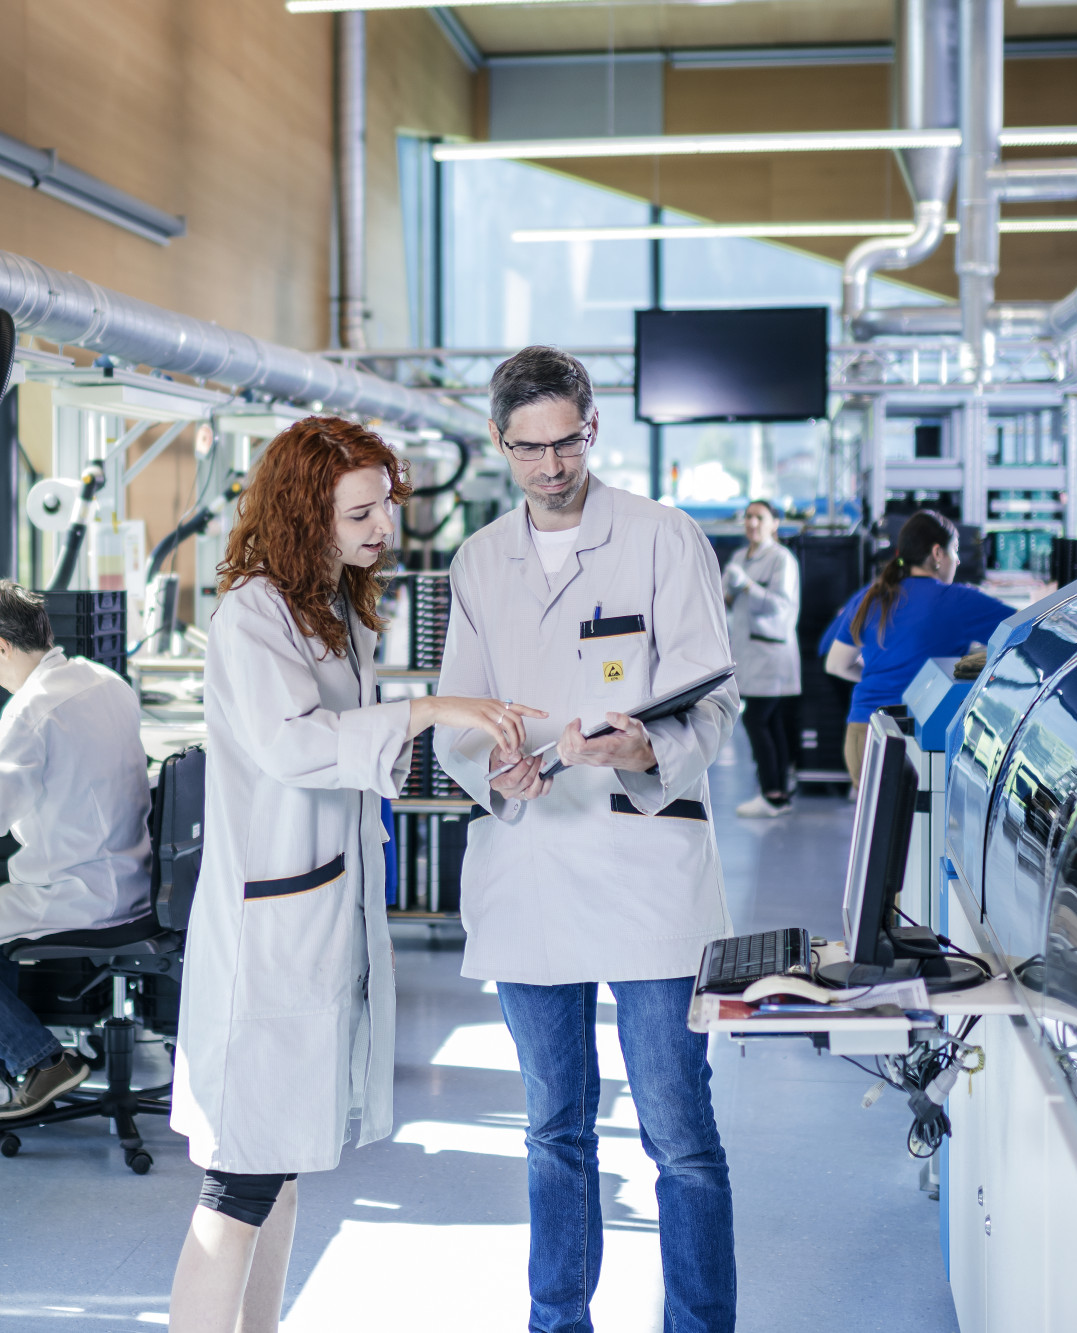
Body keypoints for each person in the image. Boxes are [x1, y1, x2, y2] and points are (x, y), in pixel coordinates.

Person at [167, 416, 540, 1333]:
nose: (384, 528)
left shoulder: (329, 605)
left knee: (279, 1166)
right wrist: (429, 706)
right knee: (240, 1180)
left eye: (386, 506)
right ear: (304, 514)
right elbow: (295, 746)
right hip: (268, 934)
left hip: (318, 911)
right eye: (360, 511)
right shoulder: (254, 613)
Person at [434, 347, 740, 1333]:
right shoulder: (478, 559)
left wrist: (645, 739)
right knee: (552, 1132)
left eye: (565, 441)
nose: (550, 465)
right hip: (530, 868)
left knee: (678, 1135)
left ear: (592, 427)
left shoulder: (662, 537)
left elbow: (713, 695)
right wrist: (494, 768)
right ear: (499, 443)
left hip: (643, 867)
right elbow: (453, 715)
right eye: (528, 448)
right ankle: (555, 1319)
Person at [0, 579, 151, 1127]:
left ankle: (41, 1061)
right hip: (134, 880)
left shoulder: (30, 710)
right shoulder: (104, 681)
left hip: (79, 892)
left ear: (2, 646)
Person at [824, 510, 1013, 789]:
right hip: (921, 738)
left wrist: (886, 674)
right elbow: (1027, 630)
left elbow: (836, 665)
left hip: (864, 734)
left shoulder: (872, 596)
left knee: (879, 830)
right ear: (937, 553)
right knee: (922, 831)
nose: (958, 560)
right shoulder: (957, 600)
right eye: (955, 551)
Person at [724, 498, 802, 818]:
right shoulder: (740, 556)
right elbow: (728, 602)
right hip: (748, 653)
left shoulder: (782, 559)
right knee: (769, 723)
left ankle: (772, 793)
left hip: (771, 654)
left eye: (759, 517)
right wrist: (730, 591)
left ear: (774, 523)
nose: (752, 523)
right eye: (748, 517)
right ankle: (778, 793)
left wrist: (747, 586)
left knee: (757, 720)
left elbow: (779, 605)